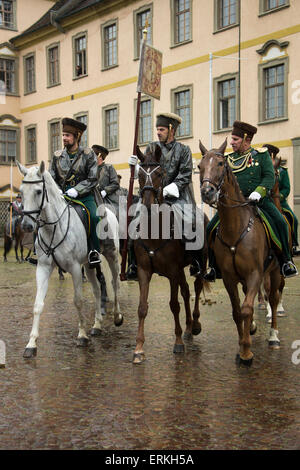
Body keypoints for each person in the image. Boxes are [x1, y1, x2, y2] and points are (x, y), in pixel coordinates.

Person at [204, 120, 298, 281]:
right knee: (210, 227)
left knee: (281, 223)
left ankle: (286, 261)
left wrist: (259, 191)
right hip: (233, 204)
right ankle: (213, 267)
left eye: (235, 139)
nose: (231, 143)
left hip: (259, 201)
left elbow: (269, 177)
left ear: (246, 139)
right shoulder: (227, 158)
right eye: (232, 139)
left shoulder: (261, 156)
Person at [129, 112, 204, 278]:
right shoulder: (151, 148)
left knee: (193, 220)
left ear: (171, 130)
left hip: (178, 196)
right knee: (134, 222)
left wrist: (171, 187)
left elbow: (185, 174)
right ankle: (133, 263)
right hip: (153, 196)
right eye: (157, 129)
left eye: (161, 129)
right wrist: (134, 167)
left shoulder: (183, 150)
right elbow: (144, 171)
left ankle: (195, 260)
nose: (158, 132)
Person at [49, 117, 101, 266]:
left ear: (77, 136)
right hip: (63, 196)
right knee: (44, 215)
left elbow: (93, 178)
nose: (64, 138)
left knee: (94, 217)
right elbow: (51, 177)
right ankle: (42, 251)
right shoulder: (57, 156)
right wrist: (57, 191)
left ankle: (94, 251)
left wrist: (77, 190)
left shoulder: (88, 154)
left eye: (67, 135)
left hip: (84, 197)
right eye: (63, 135)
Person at [264, 143, 299, 256]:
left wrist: (279, 197)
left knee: (294, 219)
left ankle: (293, 244)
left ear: (272, 156)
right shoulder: (261, 168)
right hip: (265, 200)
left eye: (268, 155)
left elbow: (286, 188)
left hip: (280, 202)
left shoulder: (282, 171)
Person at [92, 144, 120, 219]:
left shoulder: (109, 167)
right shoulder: (91, 169)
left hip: (108, 199)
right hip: (93, 198)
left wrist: (105, 191)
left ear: (100, 157)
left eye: (94, 156)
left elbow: (115, 183)